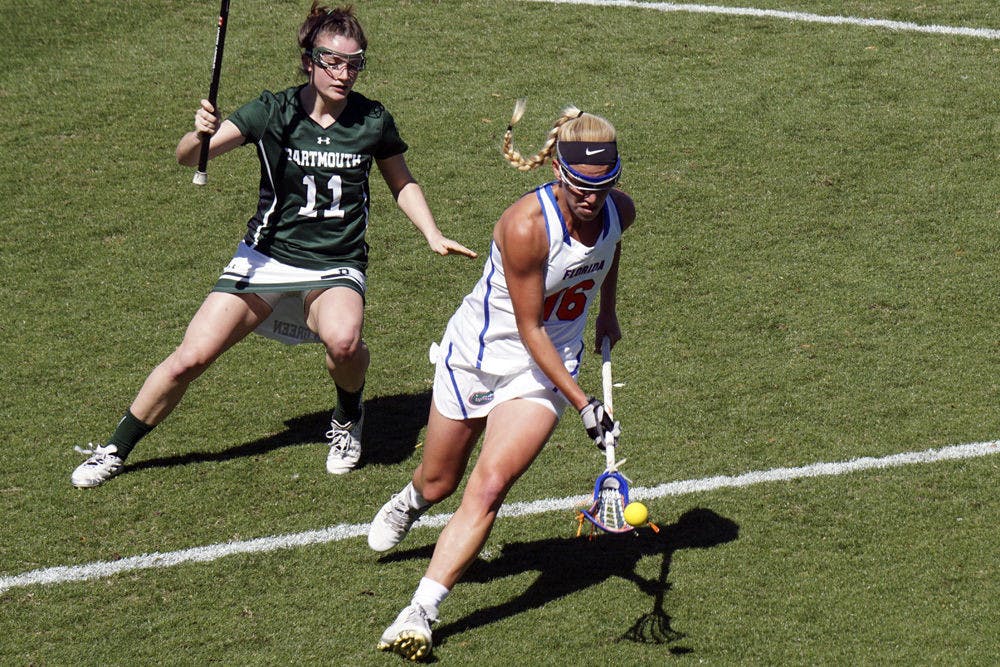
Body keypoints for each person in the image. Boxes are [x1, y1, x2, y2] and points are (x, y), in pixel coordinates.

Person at [70, 3, 476, 488]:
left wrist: (431, 233)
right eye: (333, 62)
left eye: (354, 63)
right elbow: (189, 157)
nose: (343, 73)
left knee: (344, 342)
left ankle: (348, 418)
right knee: (190, 357)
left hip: (335, 262)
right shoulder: (272, 111)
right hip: (265, 257)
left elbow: (401, 181)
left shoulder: (372, 119)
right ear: (309, 60)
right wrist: (197, 134)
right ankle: (116, 448)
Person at [369, 99, 635, 661]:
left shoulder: (618, 211)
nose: (594, 200)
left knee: (488, 487)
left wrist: (606, 310)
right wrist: (586, 403)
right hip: (479, 357)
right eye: (583, 187)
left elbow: (609, 254)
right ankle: (415, 498)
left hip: (545, 371)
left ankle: (421, 611)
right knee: (440, 481)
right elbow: (529, 325)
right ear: (559, 172)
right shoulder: (524, 226)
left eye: (606, 185)